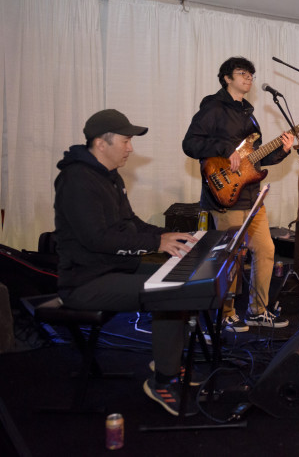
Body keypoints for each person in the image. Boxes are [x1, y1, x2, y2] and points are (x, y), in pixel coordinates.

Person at [54, 109, 200, 416]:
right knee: (169, 290)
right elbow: (97, 239)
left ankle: (166, 358)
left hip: (111, 268)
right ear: (101, 143)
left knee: (183, 276)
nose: (130, 148)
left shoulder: (108, 176)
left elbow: (130, 222)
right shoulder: (77, 181)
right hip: (85, 281)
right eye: (126, 140)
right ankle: (162, 380)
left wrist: (172, 235)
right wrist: (156, 243)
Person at [182, 57, 294, 332]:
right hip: (225, 195)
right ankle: (225, 314)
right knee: (231, 258)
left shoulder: (250, 113)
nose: (249, 78)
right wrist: (224, 149)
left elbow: (254, 163)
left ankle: (257, 310)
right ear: (226, 78)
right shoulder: (213, 107)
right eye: (242, 73)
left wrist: (282, 150)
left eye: (251, 75)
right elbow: (191, 143)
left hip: (252, 196)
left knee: (266, 250)